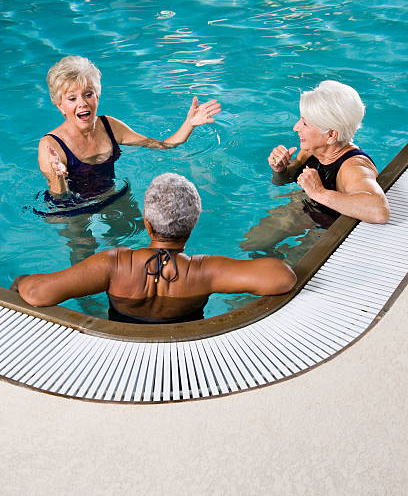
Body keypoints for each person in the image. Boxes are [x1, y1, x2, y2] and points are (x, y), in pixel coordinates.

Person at [12, 173, 297, 323]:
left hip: (125, 349)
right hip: (183, 345)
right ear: (193, 223)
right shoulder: (206, 271)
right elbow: (282, 277)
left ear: (147, 224)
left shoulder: (114, 264)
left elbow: (38, 294)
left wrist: (21, 281)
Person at [241, 80, 390, 261]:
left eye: (304, 123)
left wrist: (318, 192)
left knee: (292, 268)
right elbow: (282, 181)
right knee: (251, 243)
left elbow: (379, 212)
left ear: (331, 135)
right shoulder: (311, 148)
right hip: (306, 209)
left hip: (330, 226)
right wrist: (279, 170)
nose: (295, 127)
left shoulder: (353, 167)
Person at [39, 55, 221, 202]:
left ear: (97, 96)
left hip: (112, 197)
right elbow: (60, 198)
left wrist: (189, 124)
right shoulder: (51, 145)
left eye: (88, 95)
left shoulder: (109, 126)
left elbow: (162, 145)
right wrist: (58, 177)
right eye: (72, 99)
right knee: (84, 247)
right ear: (60, 105)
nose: (82, 103)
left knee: (136, 238)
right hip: (74, 209)